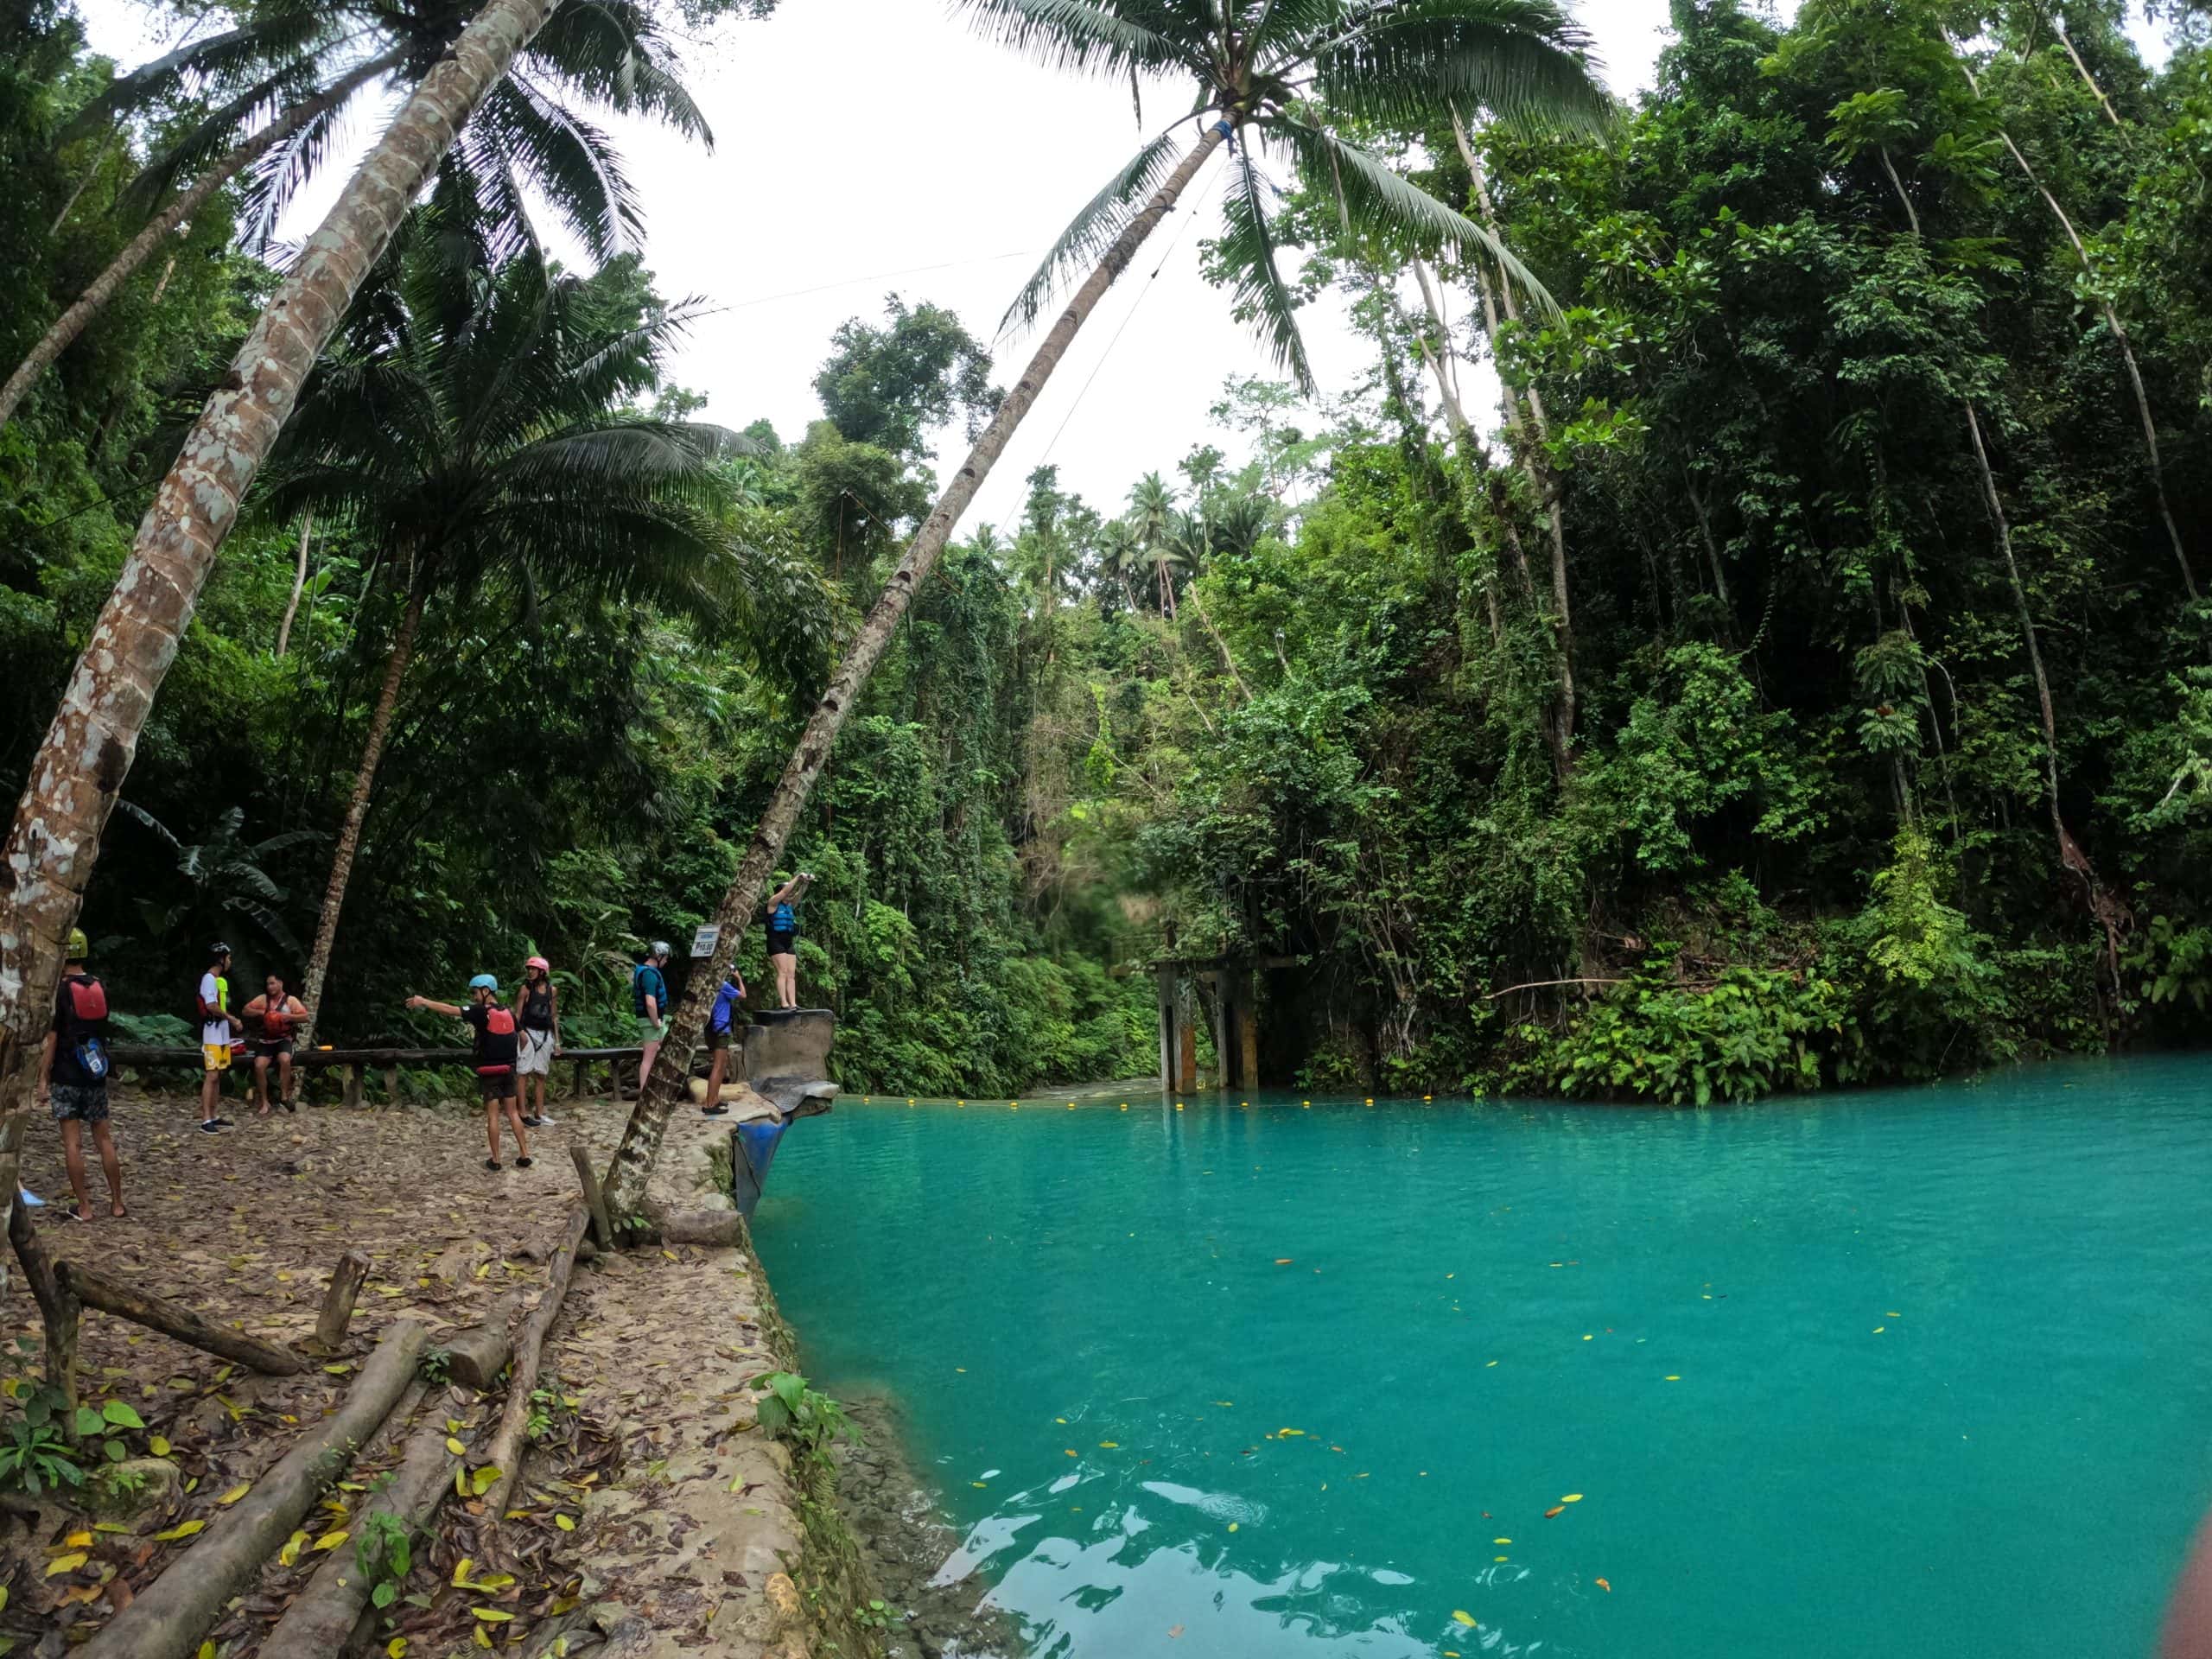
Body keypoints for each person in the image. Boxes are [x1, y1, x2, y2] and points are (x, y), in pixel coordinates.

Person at [35, 930, 124, 1222]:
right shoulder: (100, 986)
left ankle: (84, 1208)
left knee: (72, 1143)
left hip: (66, 1075)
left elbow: (52, 1038)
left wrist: (42, 1078)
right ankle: (117, 1204)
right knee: (104, 1139)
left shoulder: (61, 991)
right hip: (95, 1072)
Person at [407, 976, 531, 1171]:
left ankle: (496, 1160)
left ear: (485, 991)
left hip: (489, 1071)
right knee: (513, 1112)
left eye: (475, 993)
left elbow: (450, 1010)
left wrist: (424, 1002)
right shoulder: (509, 1012)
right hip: (509, 1069)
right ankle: (524, 1154)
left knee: (493, 1116)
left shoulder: (480, 1012)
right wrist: (516, 1059)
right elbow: (523, 1038)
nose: (474, 997)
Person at [242, 974, 309, 1116]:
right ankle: (265, 1101)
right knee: (259, 1065)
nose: (270, 987)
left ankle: (284, 1096)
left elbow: (305, 1017)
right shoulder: (262, 999)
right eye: (268, 984)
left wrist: (287, 1017)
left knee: (284, 1059)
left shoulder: (290, 1001)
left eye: (272, 983)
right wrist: (264, 1013)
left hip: (283, 1039)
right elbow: (245, 1010)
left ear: (280, 984)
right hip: (266, 1041)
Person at [196, 943, 243, 1134]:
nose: (230, 961)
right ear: (221, 959)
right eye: (229, 958)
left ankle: (214, 1115)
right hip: (213, 1032)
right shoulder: (208, 979)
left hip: (222, 1032)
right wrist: (232, 1019)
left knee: (219, 1074)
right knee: (212, 1074)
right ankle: (206, 1119)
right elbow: (212, 1006)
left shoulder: (219, 980)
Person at [512, 956, 560, 1128]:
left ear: (542, 972)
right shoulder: (525, 990)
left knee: (541, 1075)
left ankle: (539, 1113)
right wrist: (517, 1034)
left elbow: (554, 1016)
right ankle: (522, 1113)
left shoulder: (551, 990)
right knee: (523, 1073)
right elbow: (517, 1014)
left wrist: (557, 1041)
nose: (530, 972)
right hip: (528, 1032)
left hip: (545, 1034)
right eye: (529, 969)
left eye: (533, 969)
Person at [701, 967, 747, 1116]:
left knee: (721, 1064)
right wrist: (738, 978)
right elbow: (743, 996)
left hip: (710, 1029)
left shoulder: (706, 984)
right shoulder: (723, 985)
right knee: (719, 1066)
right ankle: (710, 1104)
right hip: (721, 1029)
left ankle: (714, 1098)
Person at [765, 874, 812, 1009]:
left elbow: (799, 894)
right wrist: (798, 877)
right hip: (775, 940)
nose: (791, 895)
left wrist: (806, 883)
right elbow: (786, 891)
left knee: (791, 974)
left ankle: (793, 1003)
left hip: (788, 941)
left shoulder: (790, 905)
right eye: (788, 892)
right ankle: (784, 1003)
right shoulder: (773, 903)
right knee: (783, 971)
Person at [632, 941, 672, 1092]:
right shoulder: (649, 974)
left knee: (664, 1049)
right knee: (648, 1058)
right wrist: (656, 1022)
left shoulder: (646, 971)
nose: (667, 961)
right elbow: (650, 1002)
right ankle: (644, 1091)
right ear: (659, 956)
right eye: (665, 957)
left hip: (652, 1020)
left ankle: (657, 1085)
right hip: (650, 1021)